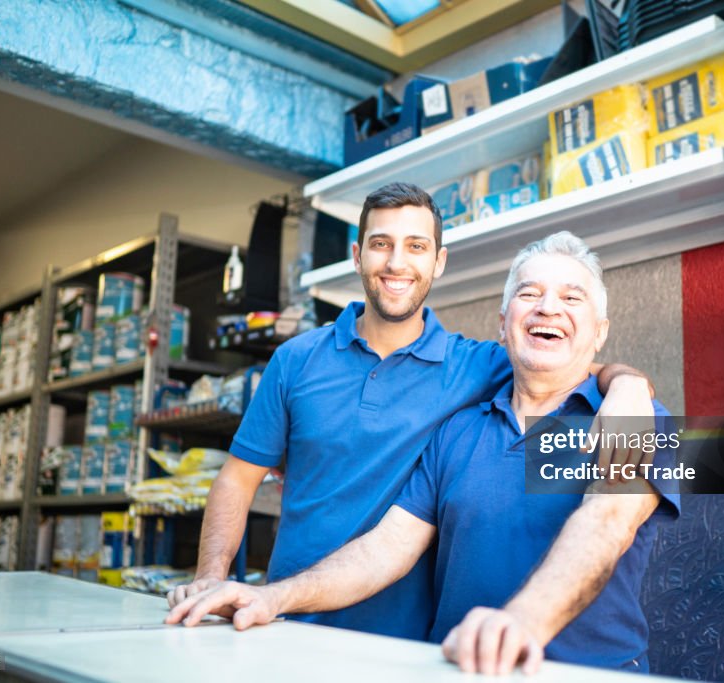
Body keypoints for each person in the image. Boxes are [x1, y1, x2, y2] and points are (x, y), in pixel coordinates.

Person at [166, 231, 679, 674]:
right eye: (530, 293)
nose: (548, 308)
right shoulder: (457, 431)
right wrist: (271, 597)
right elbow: (384, 549)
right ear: (503, 326)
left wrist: (521, 623)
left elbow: (607, 524)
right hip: (455, 669)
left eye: (572, 299)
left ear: (600, 333)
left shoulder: (638, 417)